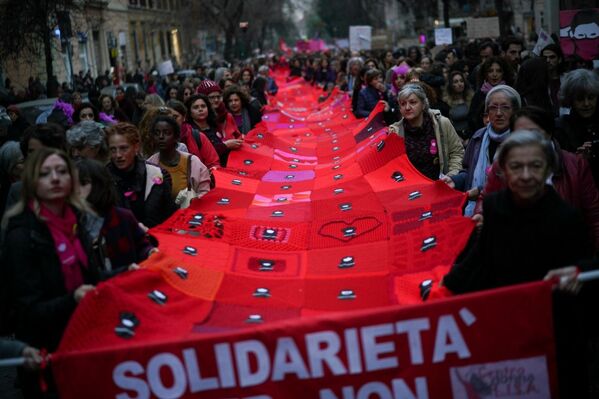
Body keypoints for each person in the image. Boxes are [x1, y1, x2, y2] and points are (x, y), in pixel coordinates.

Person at [441, 130, 593, 398]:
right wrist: (444, 291)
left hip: (553, 337)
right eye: (516, 167)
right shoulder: (495, 206)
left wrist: (578, 278)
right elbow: (481, 259)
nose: (525, 175)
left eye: (534, 166)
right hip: (504, 331)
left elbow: (585, 271)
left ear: (548, 169)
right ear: (503, 172)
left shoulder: (566, 218)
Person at [1, 148, 101, 397]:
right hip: (46, 354)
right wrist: (73, 299)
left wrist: (127, 272)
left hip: (85, 342)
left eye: (61, 171)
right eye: (45, 174)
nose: (55, 178)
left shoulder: (77, 221)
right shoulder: (21, 235)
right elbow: (27, 310)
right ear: (32, 182)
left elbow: (92, 279)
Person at [475, 106, 599, 252]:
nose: (526, 176)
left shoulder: (575, 170)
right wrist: (481, 217)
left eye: (534, 135)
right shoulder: (498, 186)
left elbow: (594, 218)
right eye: (520, 136)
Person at [446, 85, 521, 215]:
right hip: (476, 213)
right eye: (493, 107)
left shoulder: (523, 141)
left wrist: (482, 190)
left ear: (515, 111)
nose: (498, 113)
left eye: (505, 107)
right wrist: (455, 180)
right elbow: (468, 172)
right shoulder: (478, 138)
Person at [76, 158, 157, 275]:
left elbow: (141, 245)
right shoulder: (73, 222)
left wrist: (150, 252)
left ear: (98, 184)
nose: (77, 190)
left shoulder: (122, 217)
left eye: (83, 183)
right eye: (73, 184)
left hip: (127, 281)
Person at [105, 122, 175, 228]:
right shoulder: (103, 179)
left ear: (136, 147)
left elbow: (170, 216)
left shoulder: (157, 174)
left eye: (123, 148)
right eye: (113, 150)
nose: (118, 155)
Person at [389, 83, 464, 180]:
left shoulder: (442, 123)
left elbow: (457, 153)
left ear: (423, 104)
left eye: (413, 102)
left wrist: (451, 176)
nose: (407, 107)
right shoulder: (394, 132)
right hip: (411, 189)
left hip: (442, 185)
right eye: (403, 104)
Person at [146, 116, 211, 207]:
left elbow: (205, 193)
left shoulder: (192, 163)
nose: (161, 137)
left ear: (176, 137)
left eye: (166, 133)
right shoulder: (149, 165)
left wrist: (193, 201)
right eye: (157, 133)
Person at [554, 69, 599, 186]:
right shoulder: (560, 127)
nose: (587, 103)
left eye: (591, 97)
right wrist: (576, 160)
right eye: (580, 99)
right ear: (570, 100)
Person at [186, 93, 242, 167]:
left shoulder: (214, 125)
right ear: (190, 112)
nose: (200, 109)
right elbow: (203, 154)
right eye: (196, 107)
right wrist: (225, 146)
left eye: (203, 106)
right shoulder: (190, 132)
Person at [167, 99, 220, 170]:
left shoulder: (197, 136)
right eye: (168, 117)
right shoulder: (159, 138)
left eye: (175, 117)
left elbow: (213, 163)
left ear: (184, 117)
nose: (171, 121)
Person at [468, 56, 514, 134]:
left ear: (504, 73)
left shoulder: (510, 93)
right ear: (485, 74)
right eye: (490, 71)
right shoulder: (479, 94)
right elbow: (472, 119)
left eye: (499, 71)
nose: (494, 74)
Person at [444, 70, 473, 140]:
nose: (459, 84)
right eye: (456, 82)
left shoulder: (471, 98)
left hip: (470, 136)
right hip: (454, 138)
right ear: (451, 85)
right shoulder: (446, 102)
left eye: (461, 81)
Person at [541, 43, 565, 116]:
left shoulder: (567, 79)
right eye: (545, 58)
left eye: (552, 57)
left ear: (559, 59)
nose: (548, 60)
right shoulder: (539, 81)